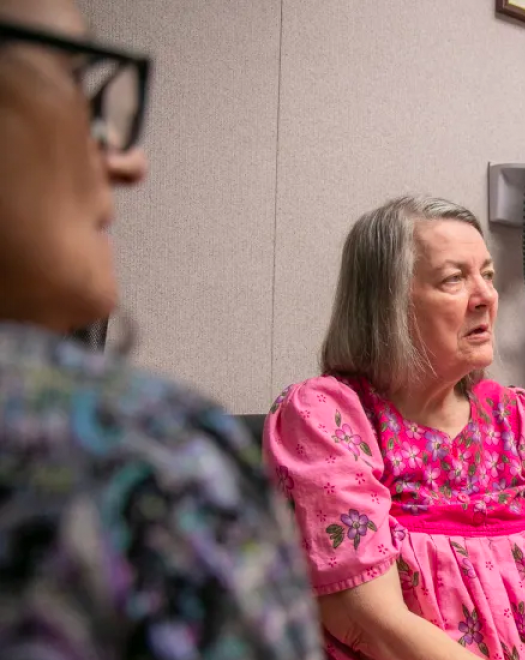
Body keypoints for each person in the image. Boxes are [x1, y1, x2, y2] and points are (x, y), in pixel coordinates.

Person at [0, 1, 324, 658]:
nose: (127, 165)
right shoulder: (156, 454)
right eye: (80, 95)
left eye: (488, 272)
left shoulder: (520, 420)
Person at [262, 195, 525, 660]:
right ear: (388, 305)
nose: (486, 297)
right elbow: (372, 620)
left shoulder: (520, 419)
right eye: (454, 279)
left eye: (488, 275)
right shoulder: (327, 417)